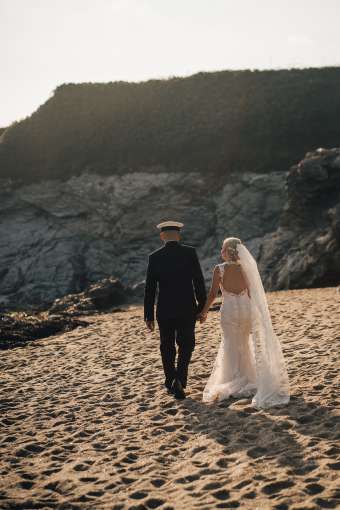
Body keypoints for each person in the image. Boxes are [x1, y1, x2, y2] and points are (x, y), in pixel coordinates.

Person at [200, 237, 290, 409]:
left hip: (229, 312)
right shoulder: (247, 269)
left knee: (230, 344)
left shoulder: (219, 269)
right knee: (244, 343)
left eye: (223, 249)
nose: (221, 252)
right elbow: (252, 294)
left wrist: (203, 312)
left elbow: (212, 295)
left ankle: (231, 380)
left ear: (228, 251)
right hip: (246, 310)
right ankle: (249, 378)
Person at [144, 221, 207, 400]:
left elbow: (149, 289)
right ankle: (180, 379)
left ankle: (170, 380)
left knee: (166, 346)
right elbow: (199, 282)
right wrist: (202, 308)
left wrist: (148, 315)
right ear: (179, 235)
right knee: (187, 344)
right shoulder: (190, 252)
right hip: (187, 307)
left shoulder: (154, 257)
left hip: (164, 309)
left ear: (162, 236)